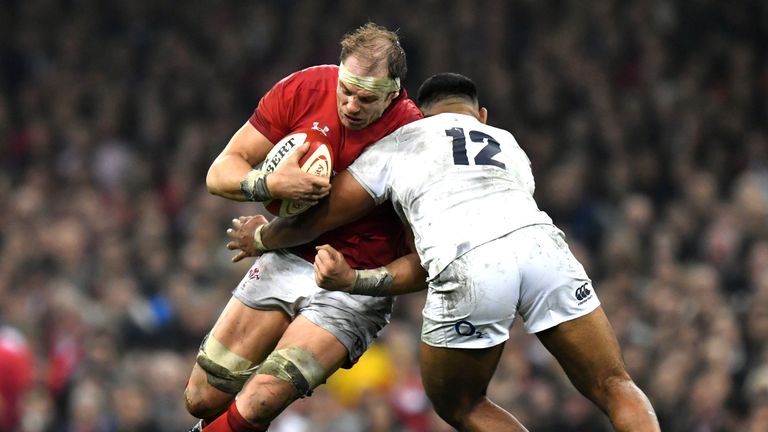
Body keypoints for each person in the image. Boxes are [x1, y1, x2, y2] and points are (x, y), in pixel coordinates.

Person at [226, 73, 661, 431]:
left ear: (417, 114)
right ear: (482, 115)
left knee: (462, 404)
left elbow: (323, 217)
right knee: (613, 382)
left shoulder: (402, 139)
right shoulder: (506, 141)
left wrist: (263, 237)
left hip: (469, 262)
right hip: (542, 246)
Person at [183, 22, 422, 432]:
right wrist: (268, 183)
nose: (350, 105)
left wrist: (266, 236)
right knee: (201, 398)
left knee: (260, 401)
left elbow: (418, 256)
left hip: (350, 284)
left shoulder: (412, 137)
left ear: (394, 92)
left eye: (366, 99)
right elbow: (220, 171)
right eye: (346, 90)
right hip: (288, 258)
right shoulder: (305, 88)